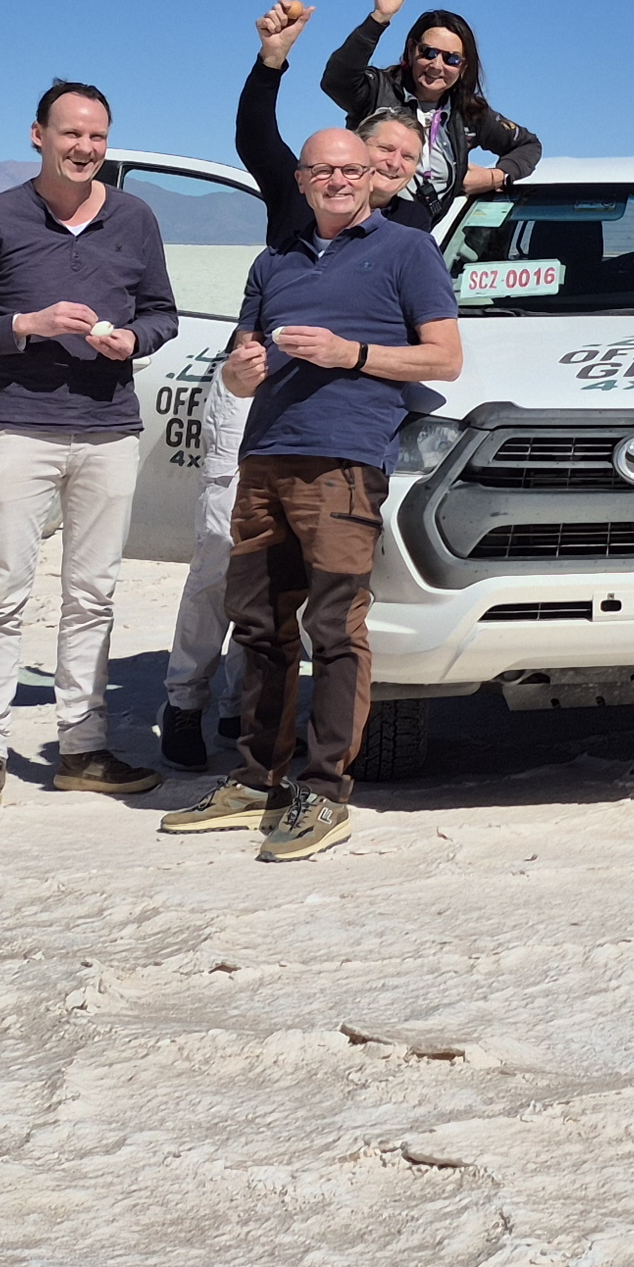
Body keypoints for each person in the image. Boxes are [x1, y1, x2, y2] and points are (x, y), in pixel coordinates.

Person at [156, 128, 462, 863]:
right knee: (259, 625)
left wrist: (351, 353)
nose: (338, 181)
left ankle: (324, 791)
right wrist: (238, 373)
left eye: (351, 169)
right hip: (265, 456)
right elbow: (237, 365)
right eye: (322, 170)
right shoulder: (273, 261)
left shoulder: (407, 251)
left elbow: (445, 359)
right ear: (301, 180)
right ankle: (256, 781)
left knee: (334, 628)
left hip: (344, 461)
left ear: (372, 176)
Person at [161, 0, 427, 772]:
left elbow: (435, 342)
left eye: (405, 157)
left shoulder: (412, 235)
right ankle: (190, 703)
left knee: (308, 604)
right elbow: (255, 135)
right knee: (225, 564)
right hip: (259, 410)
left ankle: (255, 729)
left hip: (343, 433)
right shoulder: (295, 207)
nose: (390, 163)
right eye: (382, 149)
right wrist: (272, 60)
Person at [0, 82, 180, 812]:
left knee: (92, 595)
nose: (84, 148)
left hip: (108, 430)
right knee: (2, 591)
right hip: (15, 428)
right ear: (38, 135)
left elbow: (162, 313)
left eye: (96, 136)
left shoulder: (134, 217)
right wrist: (25, 325)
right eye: (70, 134)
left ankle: (82, 748)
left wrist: (135, 339)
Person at [319, 0, 539, 229]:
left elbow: (529, 145)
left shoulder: (468, 113)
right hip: (357, 230)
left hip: (418, 237)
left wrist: (495, 177)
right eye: (429, 52)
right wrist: (379, 17)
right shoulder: (378, 91)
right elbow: (336, 81)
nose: (437, 66)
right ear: (412, 50)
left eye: (451, 59)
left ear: (464, 67)